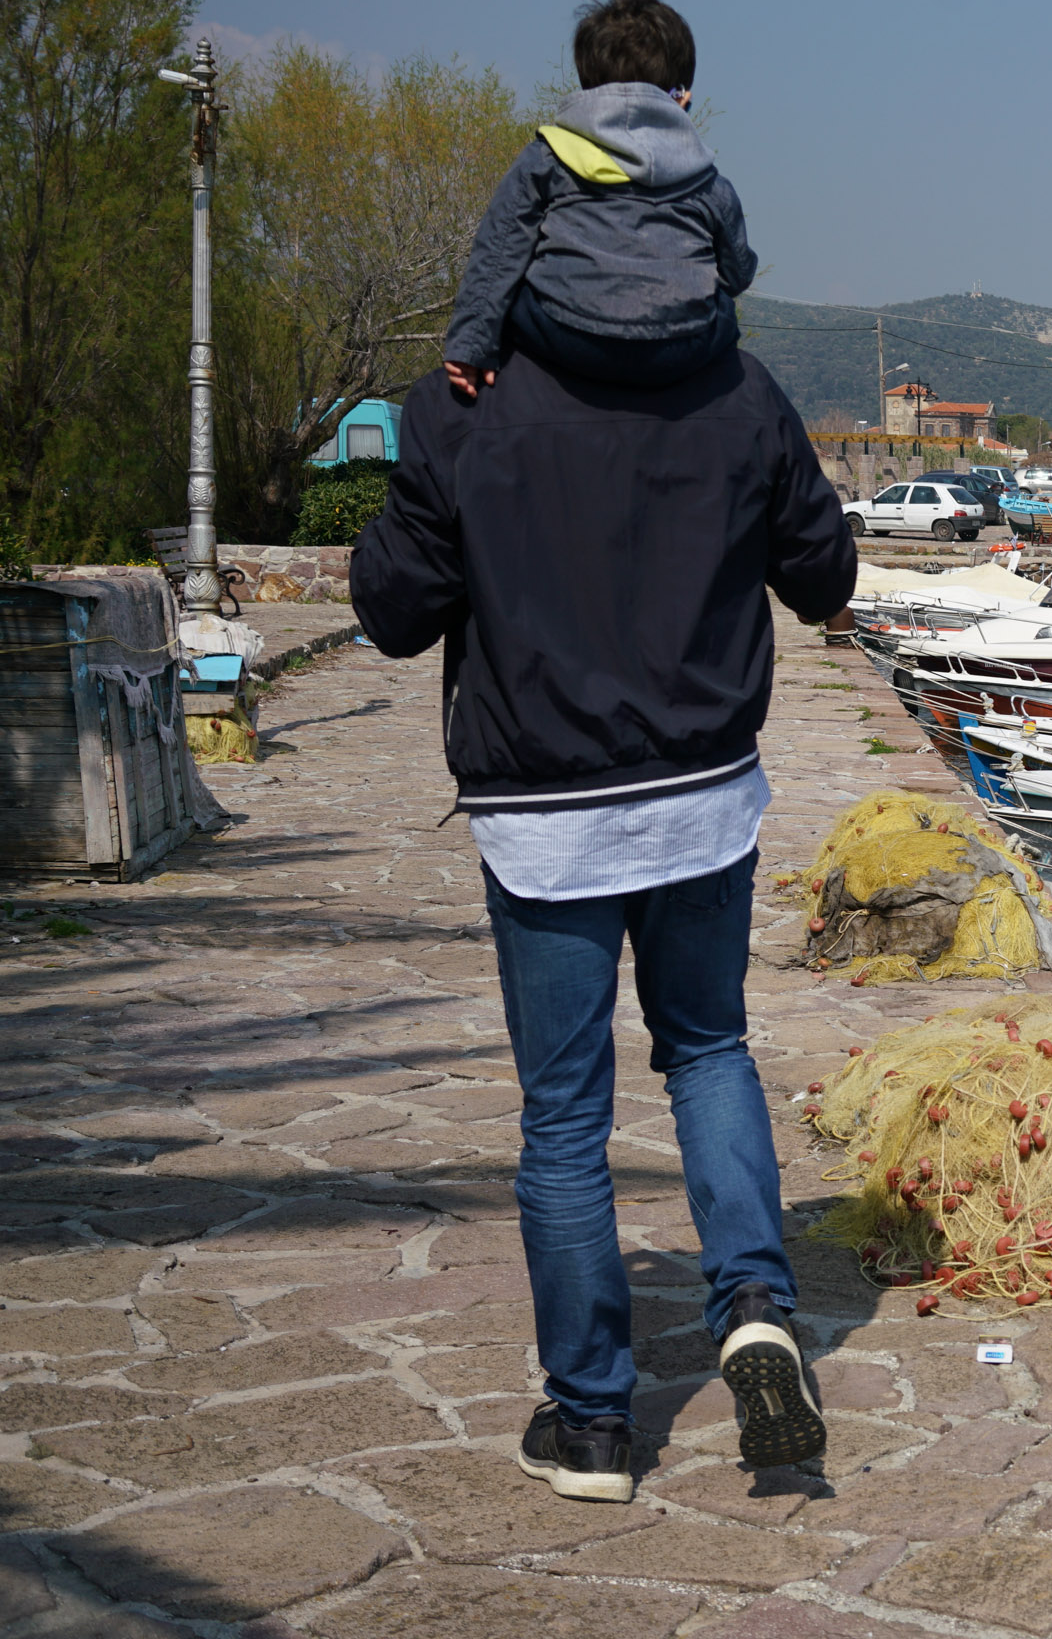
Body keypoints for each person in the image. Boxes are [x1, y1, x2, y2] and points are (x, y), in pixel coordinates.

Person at [354, 195, 857, 1503]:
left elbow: (394, 611)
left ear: (523, 271)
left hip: (542, 820)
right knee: (707, 1047)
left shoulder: (468, 405)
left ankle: (589, 1425)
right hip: (700, 798)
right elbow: (825, 578)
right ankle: (752, 1298)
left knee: (564, 1119)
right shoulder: (741, 393)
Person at [441, 0, 754, 398]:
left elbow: (498, 253)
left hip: (569, 334)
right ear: (682, 96)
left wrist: (471, 345)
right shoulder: (703, 175)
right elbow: (737, 272)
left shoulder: (548, 156)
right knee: (723, 310)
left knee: (516, 285)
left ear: (587, 84)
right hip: (679, 345)